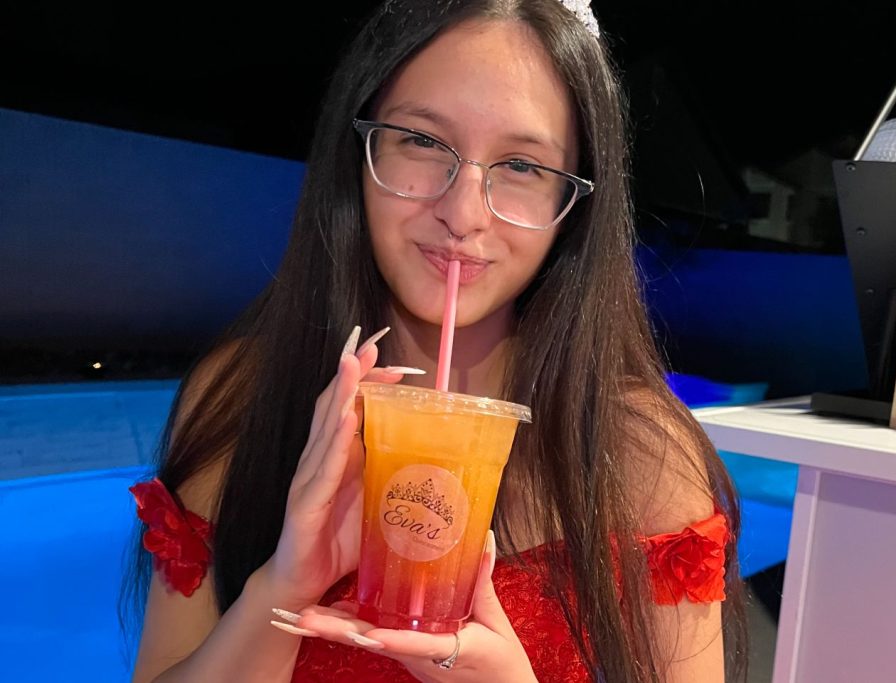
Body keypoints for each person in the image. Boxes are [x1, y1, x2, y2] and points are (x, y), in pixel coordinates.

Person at [124, 1, 746, 681]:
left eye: (522, 166)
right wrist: (280, 590)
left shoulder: (641, 452)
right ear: (359, 151)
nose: (462, 212)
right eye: (422, 141)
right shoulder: (243, 400)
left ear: (573, 209)